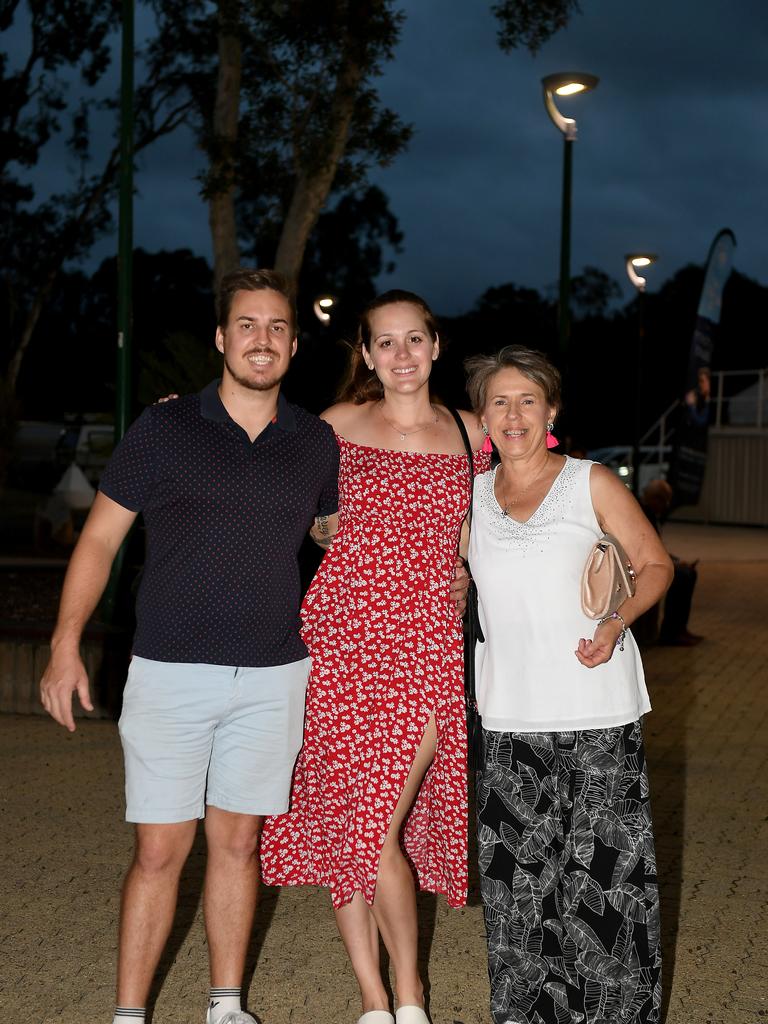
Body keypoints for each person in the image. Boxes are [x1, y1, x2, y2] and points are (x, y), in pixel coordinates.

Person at [38, 269, 343, 1024]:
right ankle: (129, 1014)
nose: (261, 339)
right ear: (221, 337)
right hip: (170, 670)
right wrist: (64, 644)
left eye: (276, 327)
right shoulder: (165, 429)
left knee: (239, 847)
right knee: (159, 852)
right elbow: (101, 539)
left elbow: (335, 533)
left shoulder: (315, 440)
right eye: (247, 325)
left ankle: (225, 1004)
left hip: (274, 674)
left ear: (295, 344)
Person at [260, 290, 489, 1024]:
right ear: (364, 354)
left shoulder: (472, 432)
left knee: (377, 822)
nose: (400, 355)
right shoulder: (333, 427)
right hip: (337, 640)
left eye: (413, 339)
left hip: (423, 647)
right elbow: (255, 468)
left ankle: (411, 995)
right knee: (348, 816)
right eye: (384, 343)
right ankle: (371, 996)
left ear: (436, 344)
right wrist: (176, 415)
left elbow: (526, 501)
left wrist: (471, 568)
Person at [463, 345, 673, 1024]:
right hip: (507, 718)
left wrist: (616, 623)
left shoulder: (590, 481)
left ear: (551, 409)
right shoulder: (467, 497)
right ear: (481, 416)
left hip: (596, 712)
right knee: (519, 890)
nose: (514, 414)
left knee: (606, 886)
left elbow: (654, 564)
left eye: (528, 399)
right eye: (499, 401)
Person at [641, 478, 703, 646]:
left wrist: (676, 561)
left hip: (649, 559)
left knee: (688, 573)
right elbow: (647, 549)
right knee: (683, 576)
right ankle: (672, 631)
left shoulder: (652, 514)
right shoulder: (644, 515)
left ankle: (679, 628)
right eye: (664, 500)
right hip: (642, 563)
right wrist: (674, 563)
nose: (666, 505)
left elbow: (657, 547)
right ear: (655, 499)